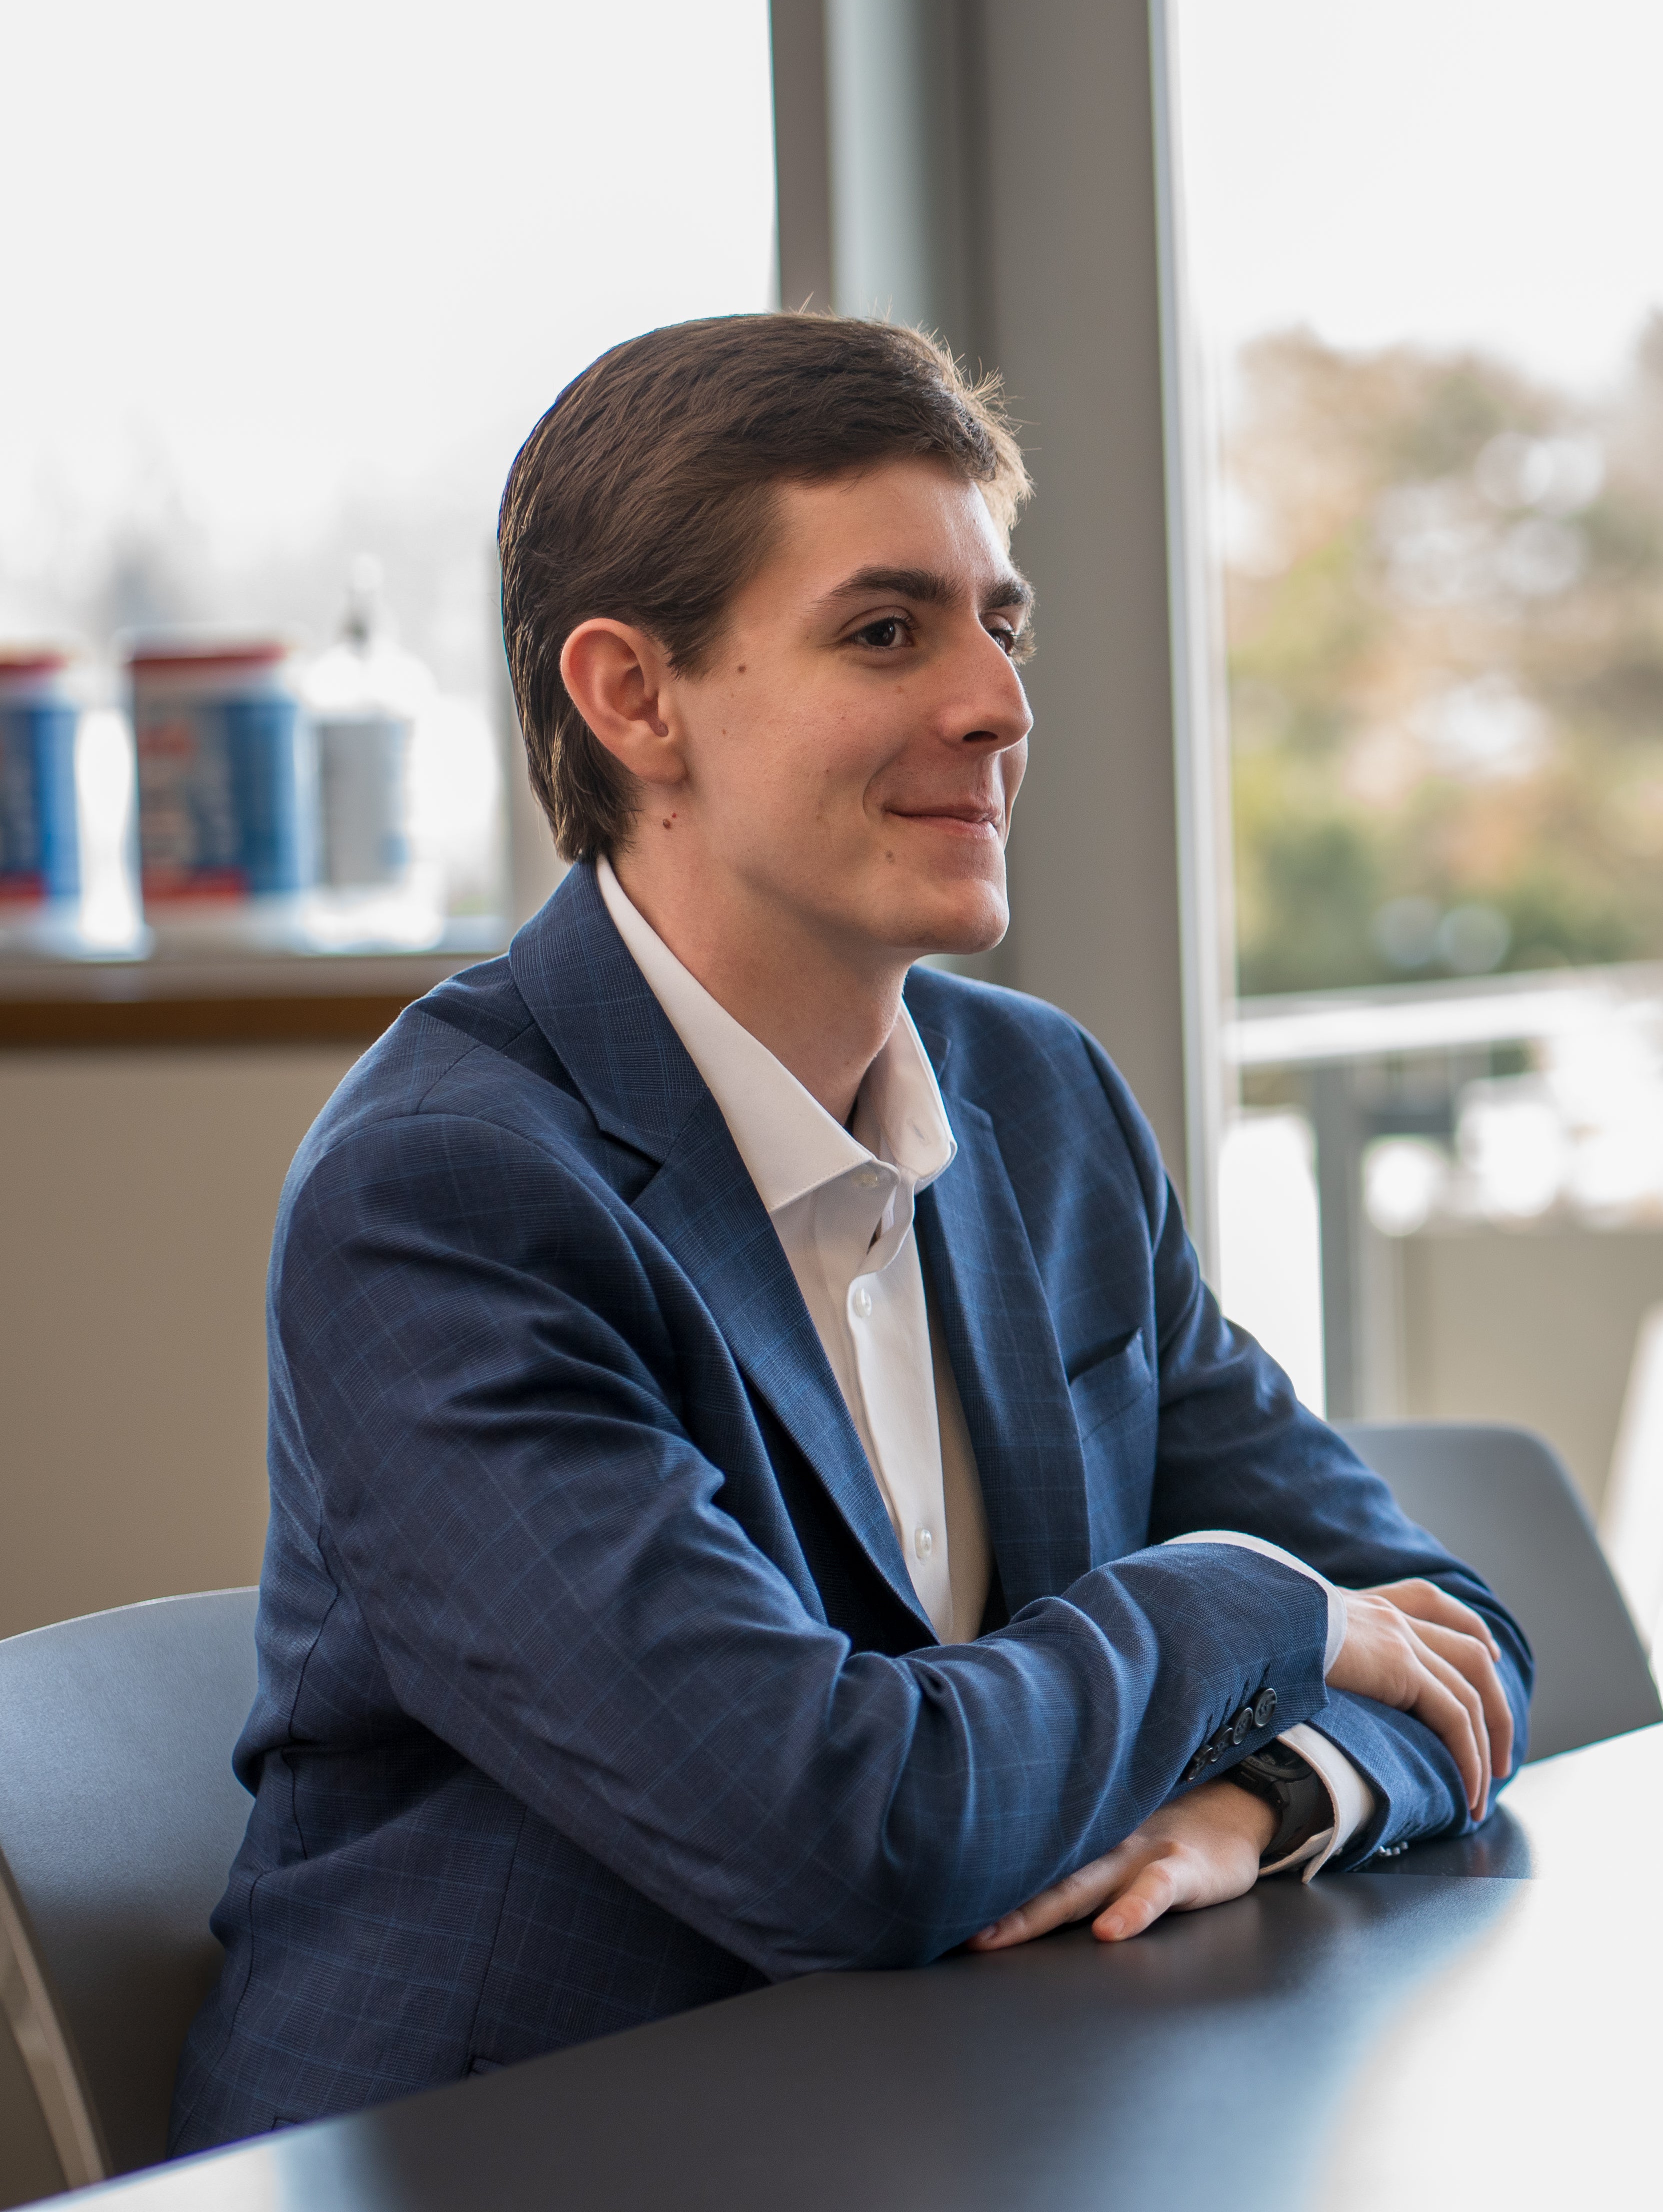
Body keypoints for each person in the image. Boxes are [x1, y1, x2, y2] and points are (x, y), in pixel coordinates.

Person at [173, 314, 1530, 2148]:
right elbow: (842, 1835)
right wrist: (1265, 1614)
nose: (997, 702)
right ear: (633, 697)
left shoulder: (1041, 1107)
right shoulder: (445, 1195)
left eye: (1002, 622)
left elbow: (1452, 1642)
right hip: (535, 2149)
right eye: (887, 631)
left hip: (969, 2112)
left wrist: (1262, 1804)